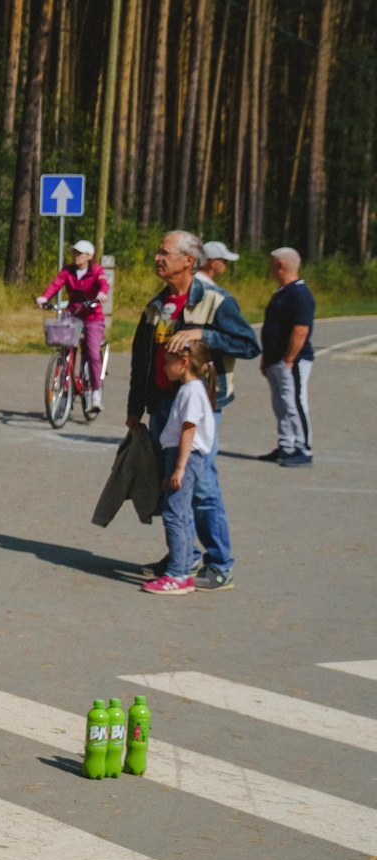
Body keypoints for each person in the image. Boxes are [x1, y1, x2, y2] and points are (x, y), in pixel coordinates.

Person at [126, 231, 257, 590]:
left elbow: (248, 344)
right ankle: (184, 557)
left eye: (164, 252)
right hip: (162, 404)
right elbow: (142, 360)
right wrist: (135, 407)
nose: (157, 258)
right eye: (157, 251)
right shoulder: (156, 305)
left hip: (200, 405)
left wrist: (205, 335)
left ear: (189, 260)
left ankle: (220, 563)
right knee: (169, 484)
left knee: (200, 485)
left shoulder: (216, 300)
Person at [142, 346, 221, 596]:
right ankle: (184, 570)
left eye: (168, 361)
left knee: (175, 514)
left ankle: (177, 574)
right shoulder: (191, 390)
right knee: (180, 512)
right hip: (178, 456)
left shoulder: (191, 391)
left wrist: (179, 467)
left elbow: (189, 429)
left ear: (184, 362)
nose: (164, 367)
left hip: (184, 456)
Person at [37, 240, 113, 414]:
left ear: (89, 256)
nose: (76, 256)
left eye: (80, 253)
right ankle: (64, 394)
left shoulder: (96, 271)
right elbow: (56, 284)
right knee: (65, 349)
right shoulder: (67, 270)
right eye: (74, 253)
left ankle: (95, 394)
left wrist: (101, 294)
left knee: (93, 353)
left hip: (92, 316)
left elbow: (104, 284)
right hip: (73, 313)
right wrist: (44, 297)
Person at [260, 247, 315, 466]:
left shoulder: (300, 294)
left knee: (294, 403)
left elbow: (301, 329)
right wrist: (267, 359)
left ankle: (303, 449)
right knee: (281, 404)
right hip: (276, 360)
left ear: (280, 265)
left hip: (292, 360)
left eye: (271, 263)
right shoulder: (282, 292)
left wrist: (289, 358)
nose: (269, 268)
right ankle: (286, 445)